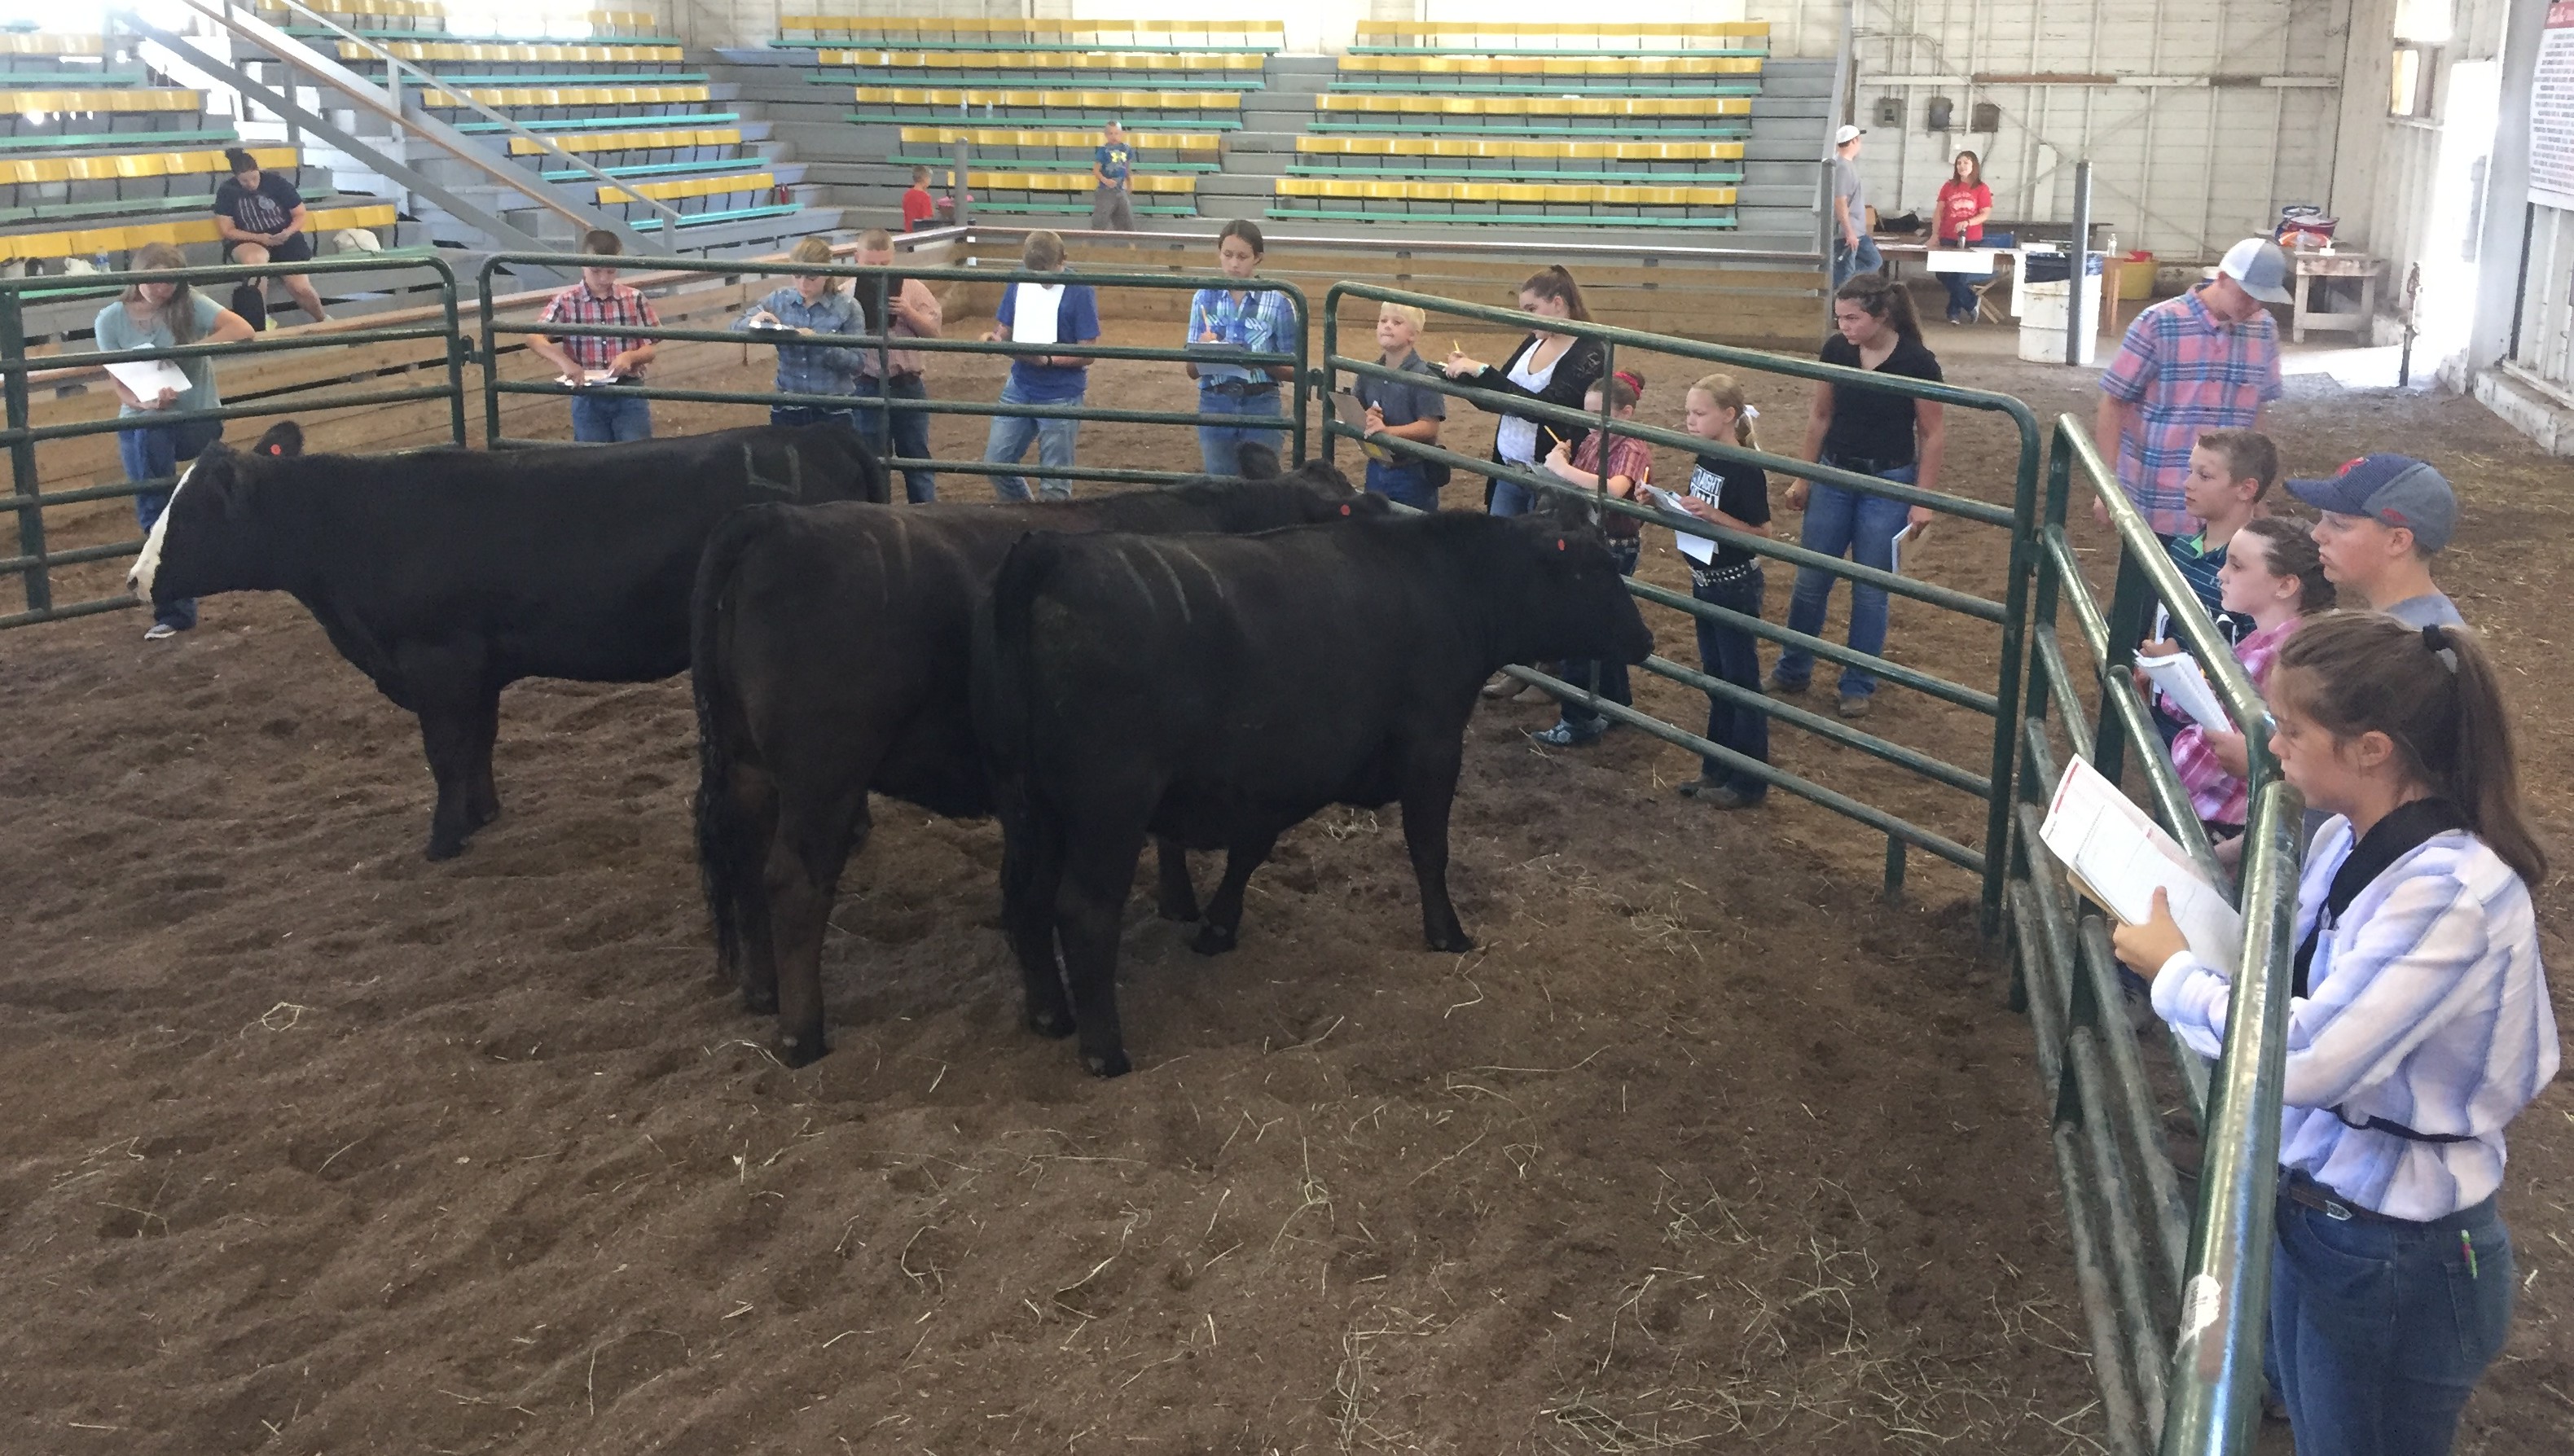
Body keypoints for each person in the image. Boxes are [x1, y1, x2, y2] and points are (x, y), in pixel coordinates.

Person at [2112, 613, 2554, 1456]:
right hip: (2332, 1211)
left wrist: (2173, 974)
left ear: (2372, 749)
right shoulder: (2348, 840)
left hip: (2396, 1245)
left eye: (2291, 729)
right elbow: (2292, 979)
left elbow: (2310, 1056)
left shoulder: (2449, 893)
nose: (2269, 745)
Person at [1770, 272, 1944, 721]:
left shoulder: (1918, 362)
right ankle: (1794, 667)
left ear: (1881, 315)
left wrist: (1922, 498)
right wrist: (1804, 476)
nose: (1844, 327)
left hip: (1887, 480)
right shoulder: (1836, 351)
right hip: (1834, 473)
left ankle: (1858, 681)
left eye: (1852, 318)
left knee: (1870, 589)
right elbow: (1820, 414)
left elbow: (1932, 432)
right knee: (1812, 578)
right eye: (1840, 318)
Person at [95, 241, 256, 640]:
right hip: (145, 419)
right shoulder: (110, 320)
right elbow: (117, 379)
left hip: (196, 416)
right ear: (137, 276)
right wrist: (144, 402)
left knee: (166, 486)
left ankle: (188, 586)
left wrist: (190, 350)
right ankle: (175, 607)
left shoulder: (191, 305)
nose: (161, 289)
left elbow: (243, 328)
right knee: (154, 491)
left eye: (169, 281)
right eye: (154, 280)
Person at [2139, 515, 2334, 839]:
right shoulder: (2272, 638)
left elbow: (2193, 764)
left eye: (2237, 566)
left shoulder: (2272, 659)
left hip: (2223, 823)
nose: (2221, 575)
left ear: (2285, 585)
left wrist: (2181, 736)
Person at [2095, 237, 2289, 538]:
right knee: (2148, 582)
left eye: (2261, 299)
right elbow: (2115, 402)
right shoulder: (2158, 323)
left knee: (2219, 583)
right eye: (2247, 295)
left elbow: (2256, 412)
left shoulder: (2264, 330)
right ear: (2222, 279)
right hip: (2158, 500)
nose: (2254, 306)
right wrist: (2106, 484)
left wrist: (2257, 494)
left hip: (2227, 509)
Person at [1529, 370, 1654, 748]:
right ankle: (1616, 705)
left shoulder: (1630, 447)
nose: (1590, 420)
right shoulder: (1594, 438)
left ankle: (1579, 716)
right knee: (1602, 626)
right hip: (1593, 537)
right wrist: (1562, 462)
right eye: (1587, 412)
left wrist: (1563, 470)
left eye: (1599, 412)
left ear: (1627, 412)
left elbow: (1615, 490)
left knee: (1580, 629)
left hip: (1612, 542)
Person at [1671, 373, 1773, 809]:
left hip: (1734, 582)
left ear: (1728, 416)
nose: (1690, 421)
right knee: (1718, 678)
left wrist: (1711, 516)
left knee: (1739, 679)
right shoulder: (1707, 456)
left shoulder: (1745, 467)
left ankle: (1748, 780)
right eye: (1689, 413)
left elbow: (1762, 533)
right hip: (1707, 578)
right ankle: (1716, 767)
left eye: (1699, 413)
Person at [1442, 264, 1607, 520]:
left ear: (1558, 303)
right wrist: (1467, 375)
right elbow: (1502, 397)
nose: (1527, 319)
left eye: (1532, 310)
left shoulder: (1590, 352)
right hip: (1509, 469)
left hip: (1551, 477)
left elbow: (1546, 407)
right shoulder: (1535, 340)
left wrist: (1483, 371)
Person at [982, 230, 1098, 502]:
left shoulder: (1080, 290)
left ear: (1063, 260)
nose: (1041, 281)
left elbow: (1089, 351)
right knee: (996, 463)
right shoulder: (1019, 279)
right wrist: (996, 338)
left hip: (1060, 392)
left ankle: (1042, 529)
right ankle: (1028, 517)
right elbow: (1006, 325)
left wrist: (1048, 360)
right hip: (1021, 383)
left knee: (1055, 484)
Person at [2288, 453, 2465, 628]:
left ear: (2397, 541)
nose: (2317, 534)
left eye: (2339, 524)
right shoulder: (2405, 626)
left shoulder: (2416, 645)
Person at [1184, 220, 1296, 476]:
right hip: (1215, 401)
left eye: (1243, 257)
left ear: (1258, 258)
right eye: (1228, 255)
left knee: (1262, 488)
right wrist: (1201, 348)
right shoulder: (1203, 297)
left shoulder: (1279, 302)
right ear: (1219, 254)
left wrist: (1260, 360)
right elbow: (1191, 370)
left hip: (1261, 402)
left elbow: (1294, 369)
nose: (1234, 263)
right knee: (1222, 487)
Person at [525, 229, 659, 443]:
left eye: (611, 271)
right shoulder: (566, 301)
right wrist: (566, 363)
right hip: (587, 392)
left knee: (635, 456)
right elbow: (534, 337)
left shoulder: (634, 298)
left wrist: (631, 357)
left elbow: (651, 349)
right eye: (596, 271)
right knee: (593, 458)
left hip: (628, 389)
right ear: (583, 265)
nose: (604, 278)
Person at [732, 235, 867, 432]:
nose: (803, 283)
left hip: (833, 410)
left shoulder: (848, 307)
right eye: (797, 276)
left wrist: (820, 344)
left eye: (812, 277)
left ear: (828, 273)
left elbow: (857, 364)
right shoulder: (779, 300)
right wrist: (755, 321)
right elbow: (735, 326)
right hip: (788, 406)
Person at [2160, 428, 2279, 647]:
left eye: (2204, 476)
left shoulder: (2255, 571)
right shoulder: (2179, 549)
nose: (2188, 483)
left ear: (2246, 489)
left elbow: (2255, 655)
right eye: (2191, 471)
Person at [850, 226, 942, 503]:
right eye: (871, 265)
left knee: (917, 458)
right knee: (873, 461)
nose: (878, 271)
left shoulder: (912, 287)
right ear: (857, 258)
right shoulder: (845, 291)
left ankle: (926, 516)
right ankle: (882, 518)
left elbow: (934, 333)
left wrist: (907, 312)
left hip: (907, 384)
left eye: (884, 265)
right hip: (866, 385)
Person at [211, 147, 327, 326]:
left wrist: (287, 232)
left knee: (299, 287)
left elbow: (300, 214)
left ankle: (323, 319)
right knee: (256, 261)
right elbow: (227, 230)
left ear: (259, 171)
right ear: (236, 177)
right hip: (248, 239)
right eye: (244, 180)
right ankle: (261, 320)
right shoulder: (227, 190)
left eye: (254, 178)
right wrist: (260, 238)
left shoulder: (276, 182)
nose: (250, 184)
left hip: (285, 238)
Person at [1353, 300, 1445, 511]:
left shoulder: (1424, 377)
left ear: (1413, 334)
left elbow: (1429, 427)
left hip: (1413, 471)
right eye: (1383, 320)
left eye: (1397, 322)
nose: (1387, 326)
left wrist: (1387, 431)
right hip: (1377, 464)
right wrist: (1366, 415)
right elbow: (1358, 407)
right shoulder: (1367, 372)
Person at [1933, 149, 1992, 325]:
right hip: (1947, 235)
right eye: (1959, 163)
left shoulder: (1981, 188)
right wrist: (1935, 234)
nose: (1962, 166)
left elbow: (1985, 214)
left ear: (1974, 165)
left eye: (1966, 162)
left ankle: (1953, 313)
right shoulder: (1948, 186)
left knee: (1959, 277)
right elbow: (1939, 212)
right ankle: (1972, 301)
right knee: (1942, 273)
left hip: (1970, 237)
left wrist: (1968, 222)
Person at [1829, 124, 1878, 289]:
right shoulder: (1842, 167)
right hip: (1849, 231)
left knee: (1874, 261)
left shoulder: (1843, 165)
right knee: (1846, 272)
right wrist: (1849, 232)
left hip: (1855, 230)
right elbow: (1840, 201)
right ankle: (1838, 301)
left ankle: (1840, 280)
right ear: (1854, 141)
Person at [1092, 119, 1136, 233]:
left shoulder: (1126, 149)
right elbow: (1096, 170)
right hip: (1106, 191)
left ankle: (1131, 247)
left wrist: (1130, 183)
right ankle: (1088, 244)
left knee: (1127, 222)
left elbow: (1126, 168)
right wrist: (1105, 180)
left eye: (1116, 133)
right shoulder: (1103, 151)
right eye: (1111, 133)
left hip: (1120, 190)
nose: (1114, 136)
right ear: (1106, 135)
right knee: (1099, 223)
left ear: (1121, 134)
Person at [901, 165, 937, 232]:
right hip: (920, 234)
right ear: (925, 178)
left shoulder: (907, 194)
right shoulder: (925, 197)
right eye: (929, 178)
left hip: (908, 233)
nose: (930, 181)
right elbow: (927, 219)